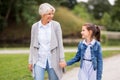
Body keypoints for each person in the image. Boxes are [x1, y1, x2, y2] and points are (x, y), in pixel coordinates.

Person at [28, 3, 65, 80]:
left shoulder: (56, 25)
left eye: (52, 14)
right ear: (42, 14)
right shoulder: (35, 27)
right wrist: (30, 61)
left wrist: (62, 59)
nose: (51, 16)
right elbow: (32, 45)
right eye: (49, 14)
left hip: (53, 60)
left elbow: (60, 44)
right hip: (39, 60)